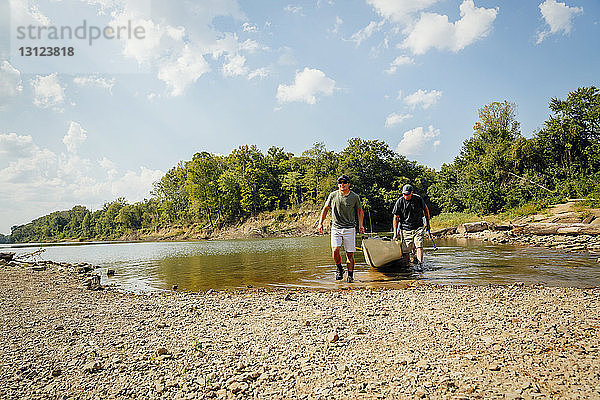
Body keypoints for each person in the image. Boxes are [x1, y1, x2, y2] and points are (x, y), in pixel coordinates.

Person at [318, 174, 365, 283]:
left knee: (349, 254)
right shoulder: (333, 195)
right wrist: (321, 223)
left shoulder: (354, 197)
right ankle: (339, 268)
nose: (342, 184)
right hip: (336, 228)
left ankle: (350, 275)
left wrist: (360, 225)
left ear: (349, 184)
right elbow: (325, 209)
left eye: (344, 182)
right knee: (335, 250)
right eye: (340, 183)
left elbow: (360, 211)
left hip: (349, 228)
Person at [392, 184, 431, 269]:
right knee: (406, 251)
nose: (405, 196)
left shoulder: (418, 199)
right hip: (405, 228)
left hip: (418, 227)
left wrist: (428, 223)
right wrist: (395, 233)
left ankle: (420, 265)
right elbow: (395, 218)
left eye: (407, 194)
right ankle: (407, 267)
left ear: (411, 193)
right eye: (404, 194)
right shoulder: (400, 201)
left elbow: (426, 210)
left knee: (419, 246)